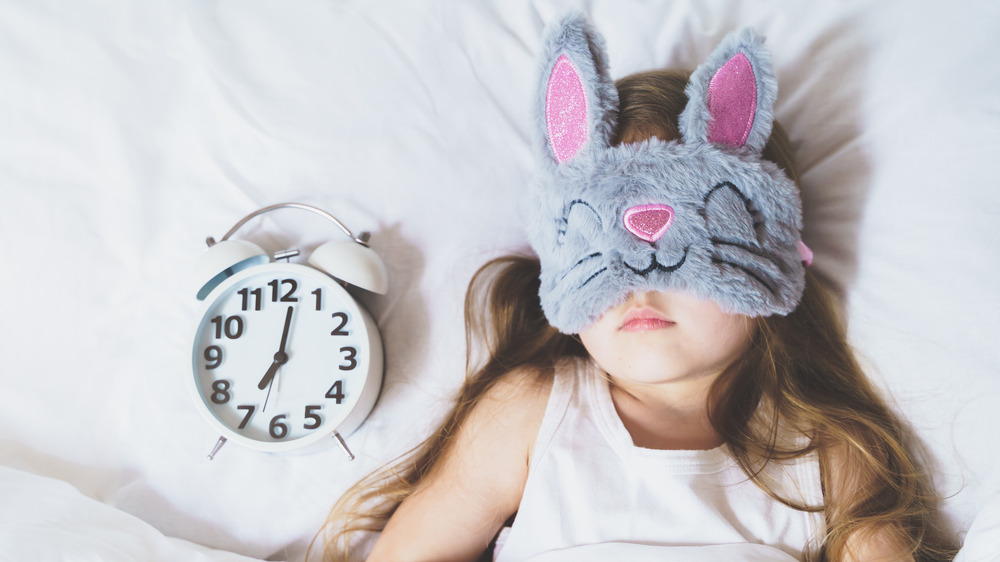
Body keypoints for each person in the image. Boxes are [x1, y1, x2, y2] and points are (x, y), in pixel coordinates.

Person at [319, 14, 956, 562]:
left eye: (681, 256)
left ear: (767, 262)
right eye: (604, 256)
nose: (637, 285)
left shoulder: (824, 453)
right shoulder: (534, 415)